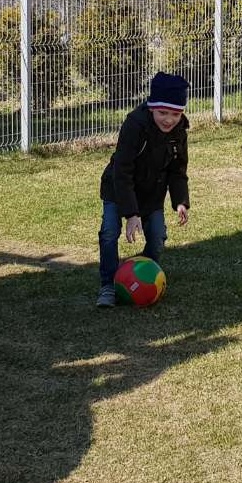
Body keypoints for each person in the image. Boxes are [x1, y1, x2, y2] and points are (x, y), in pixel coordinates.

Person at [96, 72, 190, 307]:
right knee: (109, 232)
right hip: (118, 189)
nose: (169, 120)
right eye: (163, 113)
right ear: (151, 108)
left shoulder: (179, 131)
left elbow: (177, 170)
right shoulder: (135, 125)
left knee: (157, 237)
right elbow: (122, 170)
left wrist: (180, 201)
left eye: (176, 114)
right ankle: (108, 285)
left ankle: (141, 277)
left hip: (151, 194)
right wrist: (131, 214)